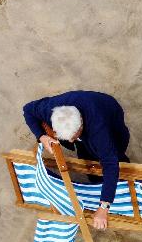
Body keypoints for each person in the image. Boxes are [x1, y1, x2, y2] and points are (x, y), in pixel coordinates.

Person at [23, 91, 131, 230]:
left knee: (115, 152)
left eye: (73, 137)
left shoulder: (99, 129)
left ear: (81, 126)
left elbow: (110, 163)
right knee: (86, 155)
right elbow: (27, 109)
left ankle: (122, 186)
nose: (70, 141)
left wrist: (104, 207)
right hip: (84, 111)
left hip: (108, 109)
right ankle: (97, 185)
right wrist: (42, 136)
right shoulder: (50, 109)